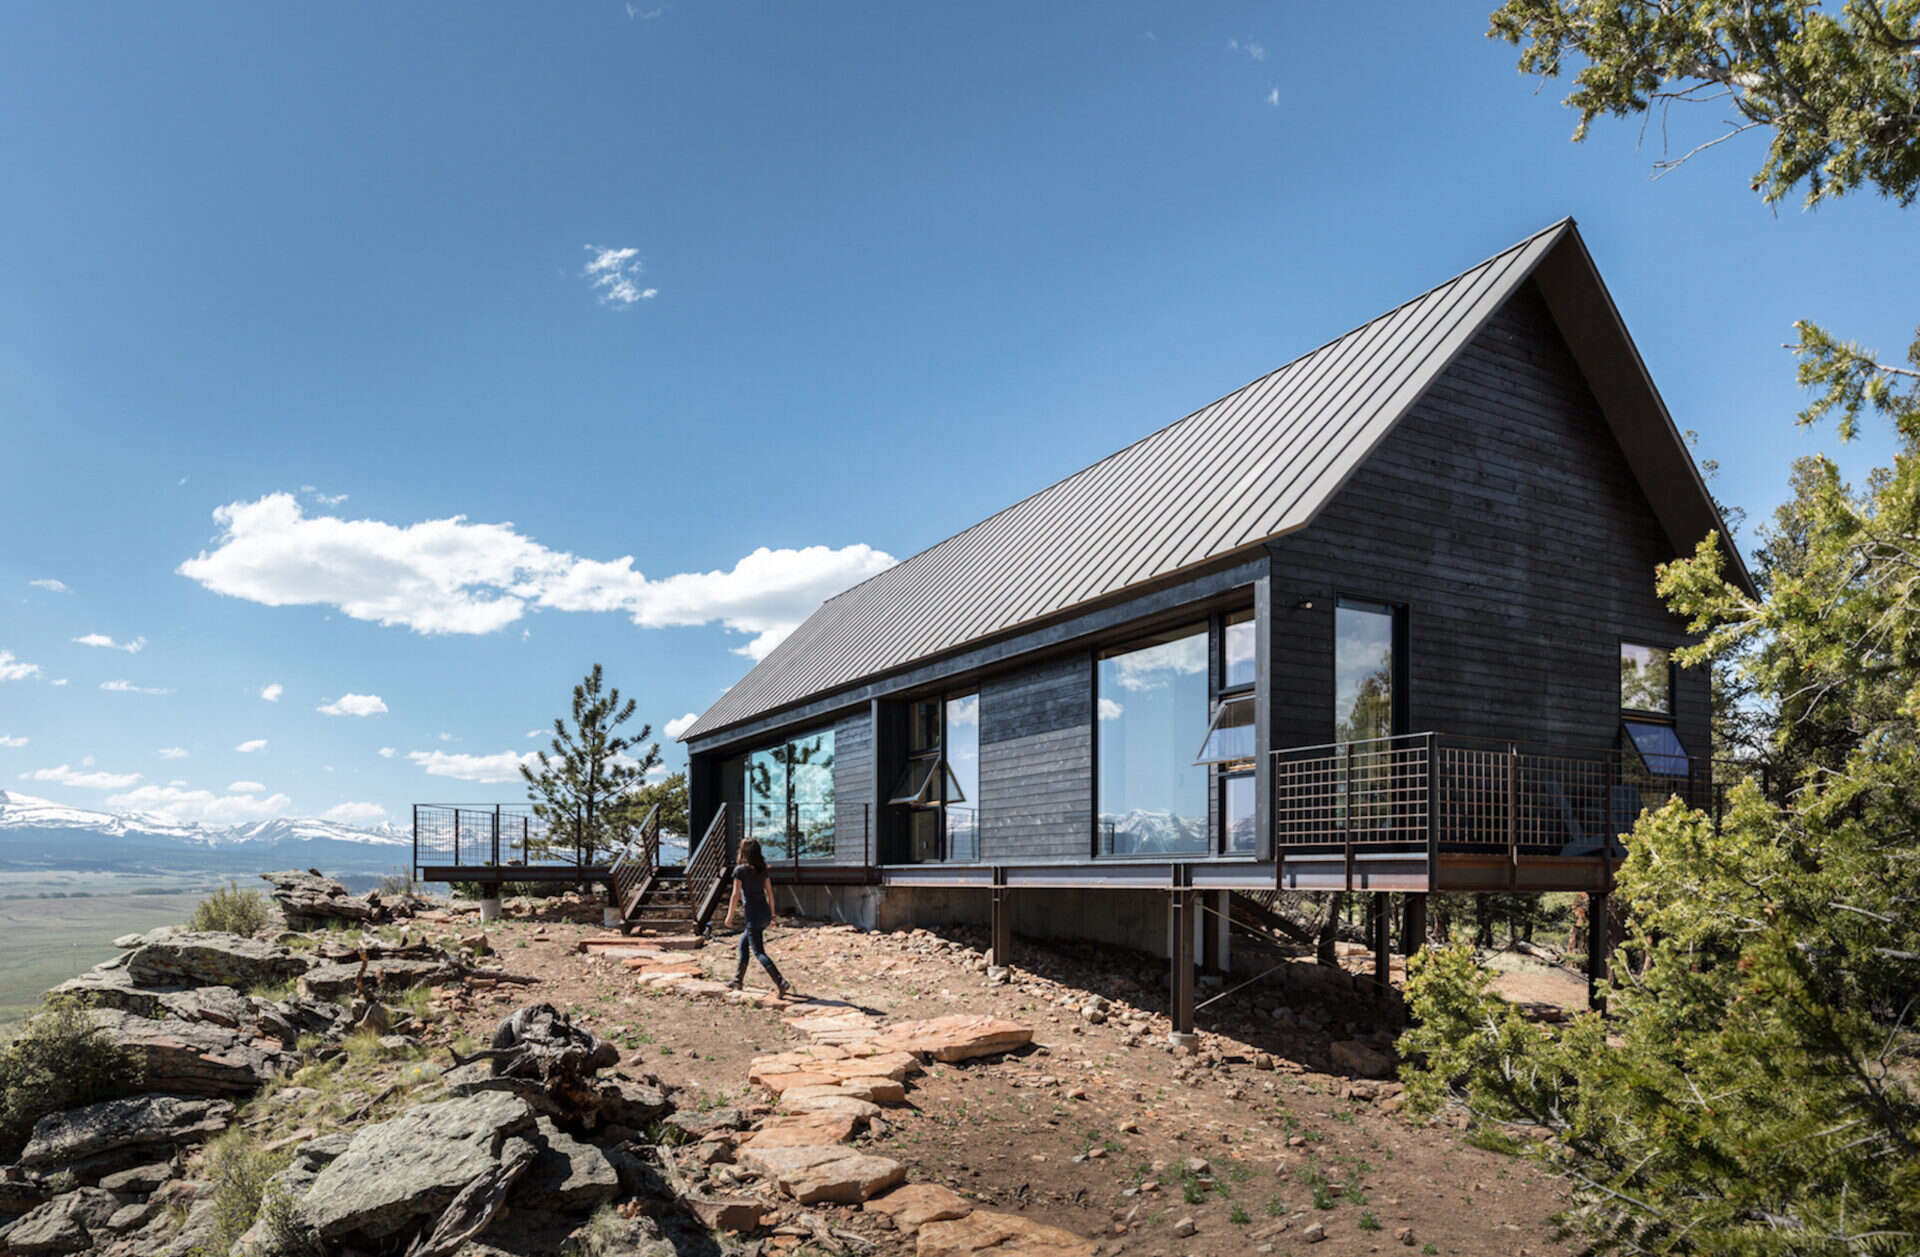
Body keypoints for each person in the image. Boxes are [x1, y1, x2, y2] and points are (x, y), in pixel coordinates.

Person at [724, 838, 793, 997]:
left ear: (743, 852)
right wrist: (773, 915)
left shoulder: (740, 871)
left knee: (759, 952)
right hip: (765, 914)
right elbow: (770, 894)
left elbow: (735, 895)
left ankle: (781, 982)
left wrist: (729, 917)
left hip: (753, 916)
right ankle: (737, 980)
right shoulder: (763, 869)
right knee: (743, 944)